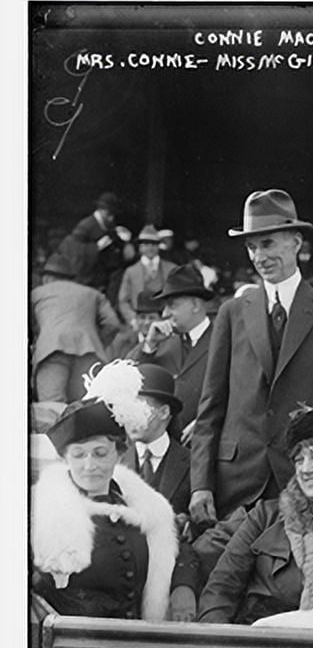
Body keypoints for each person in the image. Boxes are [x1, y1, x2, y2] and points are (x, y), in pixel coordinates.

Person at [189, 188, 313, 523]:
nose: (258, 256)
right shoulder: (231, 312)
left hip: (303, 482)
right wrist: (200, 486)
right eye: (251, 247)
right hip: (234, 484)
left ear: (296, 243)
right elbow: (210, 408)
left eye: (267, 244)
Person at [196, 386, 313, 625]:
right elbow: (221, 589)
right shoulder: (264, 517)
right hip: (260, 646)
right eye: (299, 459)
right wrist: (219, 646)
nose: (306, 468)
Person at [31, 372, 197, 622]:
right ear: (65, 459)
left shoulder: (143, 504)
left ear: (119, 454)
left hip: (137, 641)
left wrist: (184, 586)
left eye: (100, 453)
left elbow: (177, 546)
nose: (89, 465)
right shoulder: (39, 513)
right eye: (78, 455)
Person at [130, 264, 214, 443]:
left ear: (196, 305)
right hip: (165, 446)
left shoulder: (222, 339)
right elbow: (126, 378)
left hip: (209, 443)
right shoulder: (161, 340)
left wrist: (205, 421)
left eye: (172, 305)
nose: (166, 313)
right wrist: (149, 346)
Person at [31, 253, 119, 403]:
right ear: (72, 278)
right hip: (89, 353)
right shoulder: (92, 294)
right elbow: (113, 324)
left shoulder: (37, 294)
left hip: (52, 351)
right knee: (85, 406)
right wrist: (94, 342)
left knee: (52, 406)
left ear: (47, 278)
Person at [119, 364, 192, 517]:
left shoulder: (193, 464)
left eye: (139, 407)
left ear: (164, 412)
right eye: (126, 407)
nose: (130, 416)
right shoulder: (115, 462)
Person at [58, 192, 132, 296]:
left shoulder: (109, 224)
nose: (111, 218)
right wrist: (96, 247)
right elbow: (73, 251)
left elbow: (116, 240)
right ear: (101, 210)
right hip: (88, 277)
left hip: (105, 275)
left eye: (113, 214)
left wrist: (126, 245)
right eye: (109, 214)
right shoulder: (85, 226)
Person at [116, 225, 175, 326]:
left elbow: (176, 298)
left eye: (154, 244)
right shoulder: (131, 272)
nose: (150, 248)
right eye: (146, 244)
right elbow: (123, 301)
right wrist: (132, 320)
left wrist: (169, 318)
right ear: (140, 247)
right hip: (139, 323)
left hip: (165, 322)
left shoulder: (171, 269)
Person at [106, 291, 163, 361]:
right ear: (136, 318)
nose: (147, 322)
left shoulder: (168, 343)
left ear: (160, 320)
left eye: (151, 318)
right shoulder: (120, 342)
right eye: (142, 317)